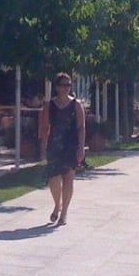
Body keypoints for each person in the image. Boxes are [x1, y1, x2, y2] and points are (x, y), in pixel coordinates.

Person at [38, 72, 86, 225]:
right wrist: (43, 147)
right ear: (56, 87)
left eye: (68, 85)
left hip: (70, 145)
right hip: (54, 144)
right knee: (53, 179)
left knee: (68, 179)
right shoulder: (49, 105)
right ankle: (57, 204)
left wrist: (81, 148)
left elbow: (81, 127)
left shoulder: (76, 105)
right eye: (62, 85)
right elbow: (44, 127)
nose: (66, 88)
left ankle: (63, 212)